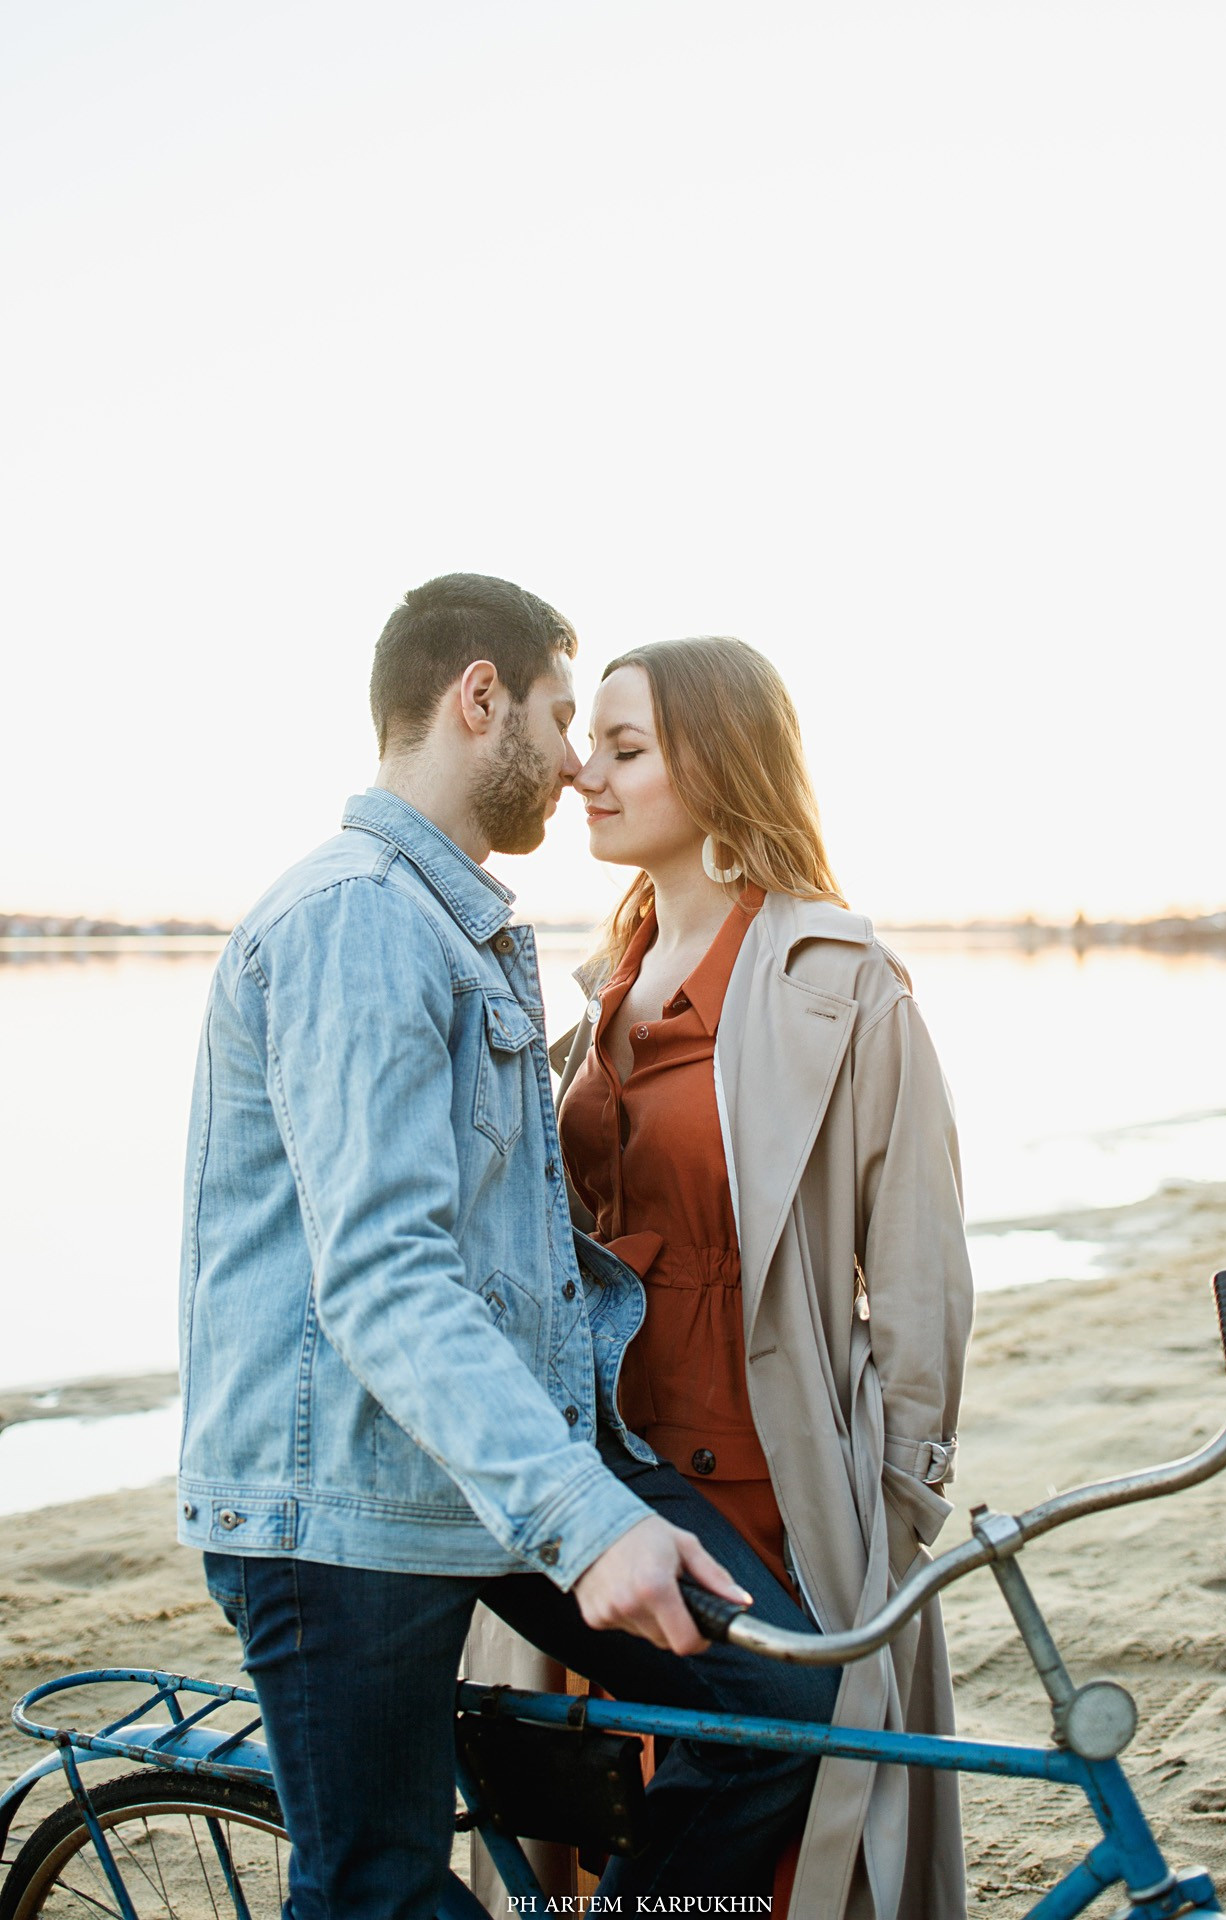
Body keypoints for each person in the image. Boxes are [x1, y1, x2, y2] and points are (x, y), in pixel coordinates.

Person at [177, 575, 839, 1919]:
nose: (580, 761)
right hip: (345, 1513)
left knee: (774, 1695)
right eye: (557, 713)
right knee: (382, 1890)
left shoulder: (458, 924)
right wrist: (590, 1523)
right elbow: (384, 1276)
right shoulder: (356, 917)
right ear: (480, 700)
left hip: (488, 1471)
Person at [526, 636, 974, 1918]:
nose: (582, 777)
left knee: (785, 1842)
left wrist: (895, 1505)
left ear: (718, 764)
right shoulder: (597, 992)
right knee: (613, 1826)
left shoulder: (841, 986)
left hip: (776, 1492)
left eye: (624, 750)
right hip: (607, 1487)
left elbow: (920, 1280)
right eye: (588, 746)